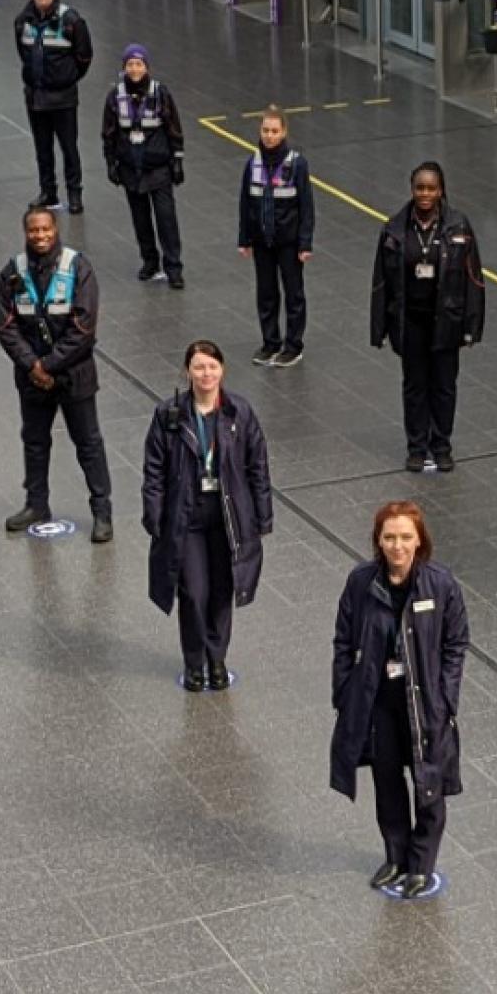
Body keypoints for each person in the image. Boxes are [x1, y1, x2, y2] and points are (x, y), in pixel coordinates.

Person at [329, 501, 469, 899]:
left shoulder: (440, 584)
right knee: (387, 782)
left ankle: (421, 864)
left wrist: (445, 696)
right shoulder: (361, 583)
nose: (397, 545)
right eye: (389, 537)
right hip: (379, 705)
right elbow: (343, 638)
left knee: (429, 783)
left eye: (406, 537)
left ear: (420, 540)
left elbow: (456, 643)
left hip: (425, 705)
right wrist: (345, 691)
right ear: (378, 541)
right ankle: (395, 856)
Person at [142, 342, 273, 688]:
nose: (206, 374)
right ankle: (194, 660)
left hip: (229, 517)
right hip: (187, 518)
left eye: (212, 367)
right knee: (193, 592)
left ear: (223, 370)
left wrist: (263, 516)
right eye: (199, 367)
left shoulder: (238, 413)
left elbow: (257, 466)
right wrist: (154, 515)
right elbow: (154, 470)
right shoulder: (169, 415)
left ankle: (217, 658)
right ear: (188, 372)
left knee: (222, 591)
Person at [0, 209, 112, 542]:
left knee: (88, 443)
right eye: (34, 230)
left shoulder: (78, 267)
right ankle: (36, 504)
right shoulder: (12, 273)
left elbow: (84, 327)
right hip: (31, 377)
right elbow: (6, 327)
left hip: (74, 374)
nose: (40, 236)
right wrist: (32, 365)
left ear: (55, 229)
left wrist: (47, 365)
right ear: (25, 232)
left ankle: (102, 512)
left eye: (46, 229)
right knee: (34, 441)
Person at [369, 163, 486, 473]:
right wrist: (379, 327)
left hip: (446, 321)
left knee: (445, 385)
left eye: (431, 188)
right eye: (420, 188)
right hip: (410, 322)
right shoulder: (394, 229)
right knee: (414, 386)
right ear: (412, 189)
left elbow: (474, 279)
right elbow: (381, 281)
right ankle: (417, 447)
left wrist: (472, 326)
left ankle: (442, 445)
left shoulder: (459, 226)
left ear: (441, 190)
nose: (425, 194)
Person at [237, 107, 314, 364]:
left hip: (289, 243)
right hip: (262, 241)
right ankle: (270, 342)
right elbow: (246, 203)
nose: (269, 136)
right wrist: (244, 239)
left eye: (275, 131)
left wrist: (305, 243)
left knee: (294, 294)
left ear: (284, 132)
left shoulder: (296, 164)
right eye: (265, 130)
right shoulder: (253, 162)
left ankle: (293, 345)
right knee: (266, 293)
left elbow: (306, 206)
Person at [103, 44, 183, 285]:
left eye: (139, 64)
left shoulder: (161, 94)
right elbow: (109, 132)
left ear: (146, 66)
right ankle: (150, 261)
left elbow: (173, 128)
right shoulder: (115, 97)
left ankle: (174, 267)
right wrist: (111, 162)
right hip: (130, 169)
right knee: (140, 219)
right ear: (124, 68)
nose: (134, 69)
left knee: (166, 218)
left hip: (158, 168)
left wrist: (177, 160)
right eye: (130, 64)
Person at [16, 0, 93, 213]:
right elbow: (23, 53)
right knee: (42, 148)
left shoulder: (71, 21)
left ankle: (74, 192)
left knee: (69, 147)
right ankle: (48, 191)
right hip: (35, 96)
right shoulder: (23, 20)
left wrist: (67, 77)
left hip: (63, 98)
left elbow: (84, 56)